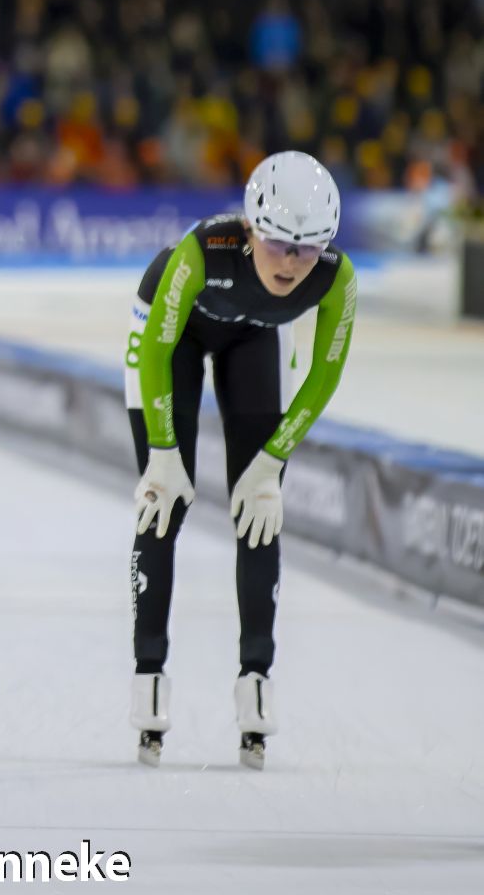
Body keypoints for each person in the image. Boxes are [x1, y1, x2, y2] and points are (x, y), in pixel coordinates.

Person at [126, 151, 356, 770]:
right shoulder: (205, 249)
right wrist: (165, 452)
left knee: (259, 510)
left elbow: (324, 376)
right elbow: (155, 349)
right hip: (167, 334)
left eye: (308, 250)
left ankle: (257, 676)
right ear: (253, 230)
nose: (291, 263)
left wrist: (272, 462)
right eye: (280, 244)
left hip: (252, 336)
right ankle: (149, 672)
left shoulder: (336, 277)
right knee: (161, 503)